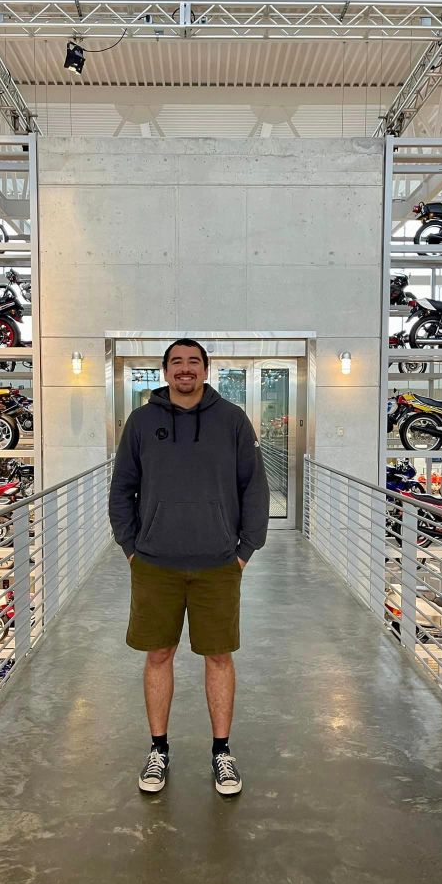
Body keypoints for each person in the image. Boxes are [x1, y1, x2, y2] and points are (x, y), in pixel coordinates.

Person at [109, 338, 270, 796]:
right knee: (158, 655)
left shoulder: (232, 420)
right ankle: (158, 749)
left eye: (193, 362)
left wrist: (245, 549)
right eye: (177, 362)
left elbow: (254, 488)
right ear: (165, 372)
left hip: (218, 565)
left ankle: (222, 752)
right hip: (154, 564)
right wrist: (131, 547)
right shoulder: (142, 422)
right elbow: (121, 489)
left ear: (205, 369)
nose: (185, 369)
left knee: (219, 657)